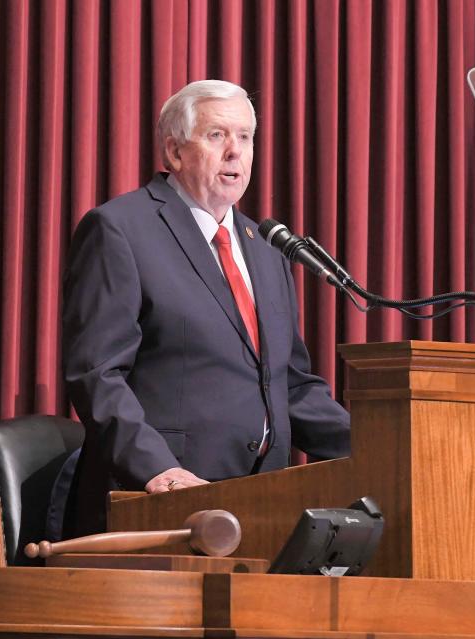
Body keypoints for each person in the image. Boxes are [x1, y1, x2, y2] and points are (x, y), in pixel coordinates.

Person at [61, 79, 350, 535]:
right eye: (217, 135)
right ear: (174, 152)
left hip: (259, 506)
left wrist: (383, 451)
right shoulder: (121, 230)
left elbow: (291, 387)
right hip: (157, 502)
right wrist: (158, 470)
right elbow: (98, 374)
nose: (235, 151)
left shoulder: (267, 247)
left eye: (245, 137)